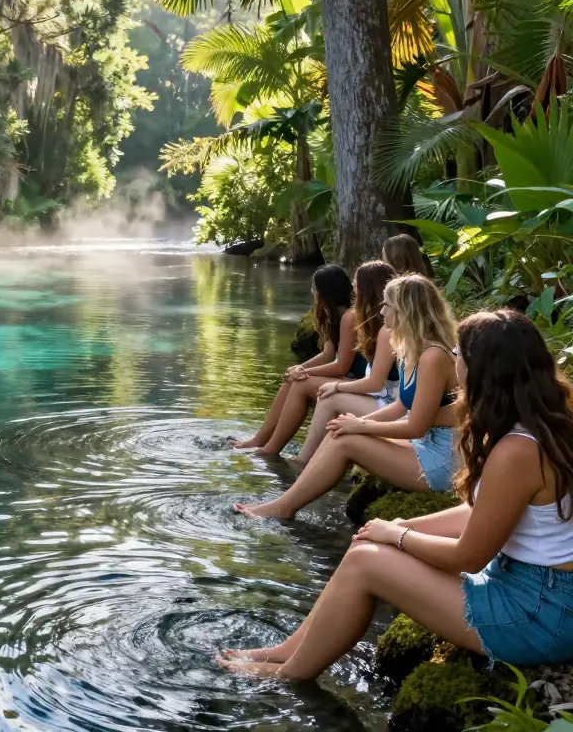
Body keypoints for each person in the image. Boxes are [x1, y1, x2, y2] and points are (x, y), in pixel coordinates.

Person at [219, 310, 573, 679]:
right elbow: (480, 512)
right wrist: (400, 525)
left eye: (459, 353)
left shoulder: (517, 450)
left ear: (483, 369)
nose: (454, 360)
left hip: (541, 613)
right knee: (367, 546)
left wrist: (399, 536)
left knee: (365, 563)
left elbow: (468, 555)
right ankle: (287, 653)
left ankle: (290, 674)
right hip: (534, 590)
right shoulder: (543, 423)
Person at [235, 274, 457, 518]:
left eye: (387, 305)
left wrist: (361, 424)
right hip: (423, 445)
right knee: (339, 430)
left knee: (347, 439)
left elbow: (417, 426)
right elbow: (400, 407)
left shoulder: (434, 356)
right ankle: (287, 500)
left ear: (407, 310)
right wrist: (353, 423)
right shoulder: (410, 349)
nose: (381, 311)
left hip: (441, 461)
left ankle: (283, 508)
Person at [232, 266, 364, 453]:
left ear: (324, 292)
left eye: (314, 288)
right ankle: (259, 440)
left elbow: (342, 366)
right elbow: (327, 355)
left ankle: (270, 449)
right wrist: (299, 368)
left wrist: (304, 372)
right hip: (347, 380)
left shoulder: (349, 317)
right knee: (292, 380)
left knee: (301, 380)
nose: (312, 292)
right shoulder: (333, 316)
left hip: (357, 383)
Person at [298, 261, 400, 464]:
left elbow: (375, 383)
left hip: (391, 402)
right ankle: (296, 455)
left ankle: (303, 461)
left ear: (367, 292)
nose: (353, 292)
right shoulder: (375, 325)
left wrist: (337, 385)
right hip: (386, 397)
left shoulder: (387, 331)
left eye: (356, 287)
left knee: (329, 397)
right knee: (319, 389)